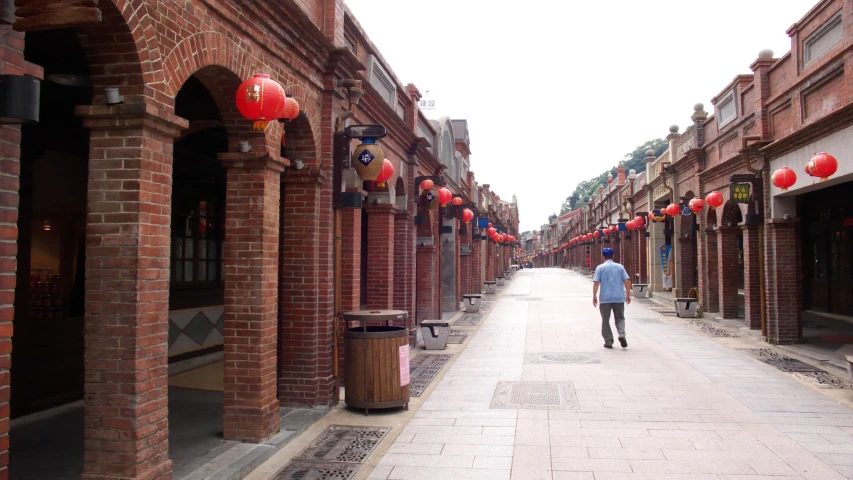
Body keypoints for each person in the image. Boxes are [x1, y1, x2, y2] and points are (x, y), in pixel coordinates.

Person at [592, 247, 631, 349]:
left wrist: (594, 297)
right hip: (619, 297)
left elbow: (596, 283)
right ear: (613, 256)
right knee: (620, 318)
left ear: (603, 257)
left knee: (605, 320)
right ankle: (622, 334)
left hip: (605, 299)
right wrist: (628, 295)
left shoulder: (600, 268)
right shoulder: (620, 267)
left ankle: (608, 341)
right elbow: (627, 281)